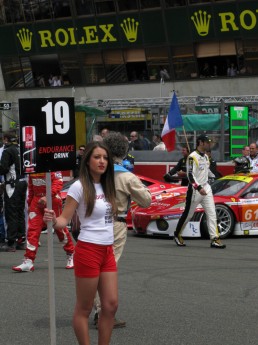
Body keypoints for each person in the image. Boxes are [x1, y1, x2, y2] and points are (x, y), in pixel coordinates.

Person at [43, 141, 118, 345]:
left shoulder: (108, 184)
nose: (102, 161)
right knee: (84, 308)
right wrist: (53, 218)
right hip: (88, 250)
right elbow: (64, 220)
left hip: (107, 251)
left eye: (105, 158)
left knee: (110, 305)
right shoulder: (79, 186)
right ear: (87, 161)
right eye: (97, 157)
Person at [91, 132, 151, 328]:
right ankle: (103, 313)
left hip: (92, 223)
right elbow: (146, 200)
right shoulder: (127, 176)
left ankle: (94, 309)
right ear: (124, 152)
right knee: (108, 269)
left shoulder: (95, 171)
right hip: (115, 224)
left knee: (95, 268)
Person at [12, 171, 75, 272]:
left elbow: (58, 183)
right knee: (32, 230)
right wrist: (29, 203)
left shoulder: (53, 165)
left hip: (52, 201)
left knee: (60, 230)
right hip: (36, 202)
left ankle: (70, 254)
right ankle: (29, 260)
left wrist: (47, 197)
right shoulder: (32, 167)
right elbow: (31, 188)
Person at [174, 134, 226, 248]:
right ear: (201, 143)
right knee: (189, 214)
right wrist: (198, 188)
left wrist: (219, 179)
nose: (209, 144)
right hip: (195, 190)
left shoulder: (206, 157)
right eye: (207, 142)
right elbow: (190, 175)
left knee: (212, 214)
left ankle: (215, 239)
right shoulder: (192, 157)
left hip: (206, 188)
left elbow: (208, 172)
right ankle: (177, 234)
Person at [0, 132, 27, 252]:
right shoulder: (21, 149)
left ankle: (11, 243)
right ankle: (21, 240)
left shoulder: (7, 150)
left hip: (12, 184)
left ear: (5, 139)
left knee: (11, 212)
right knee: (20, 212)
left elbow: (4, 168)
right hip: (23, 182)